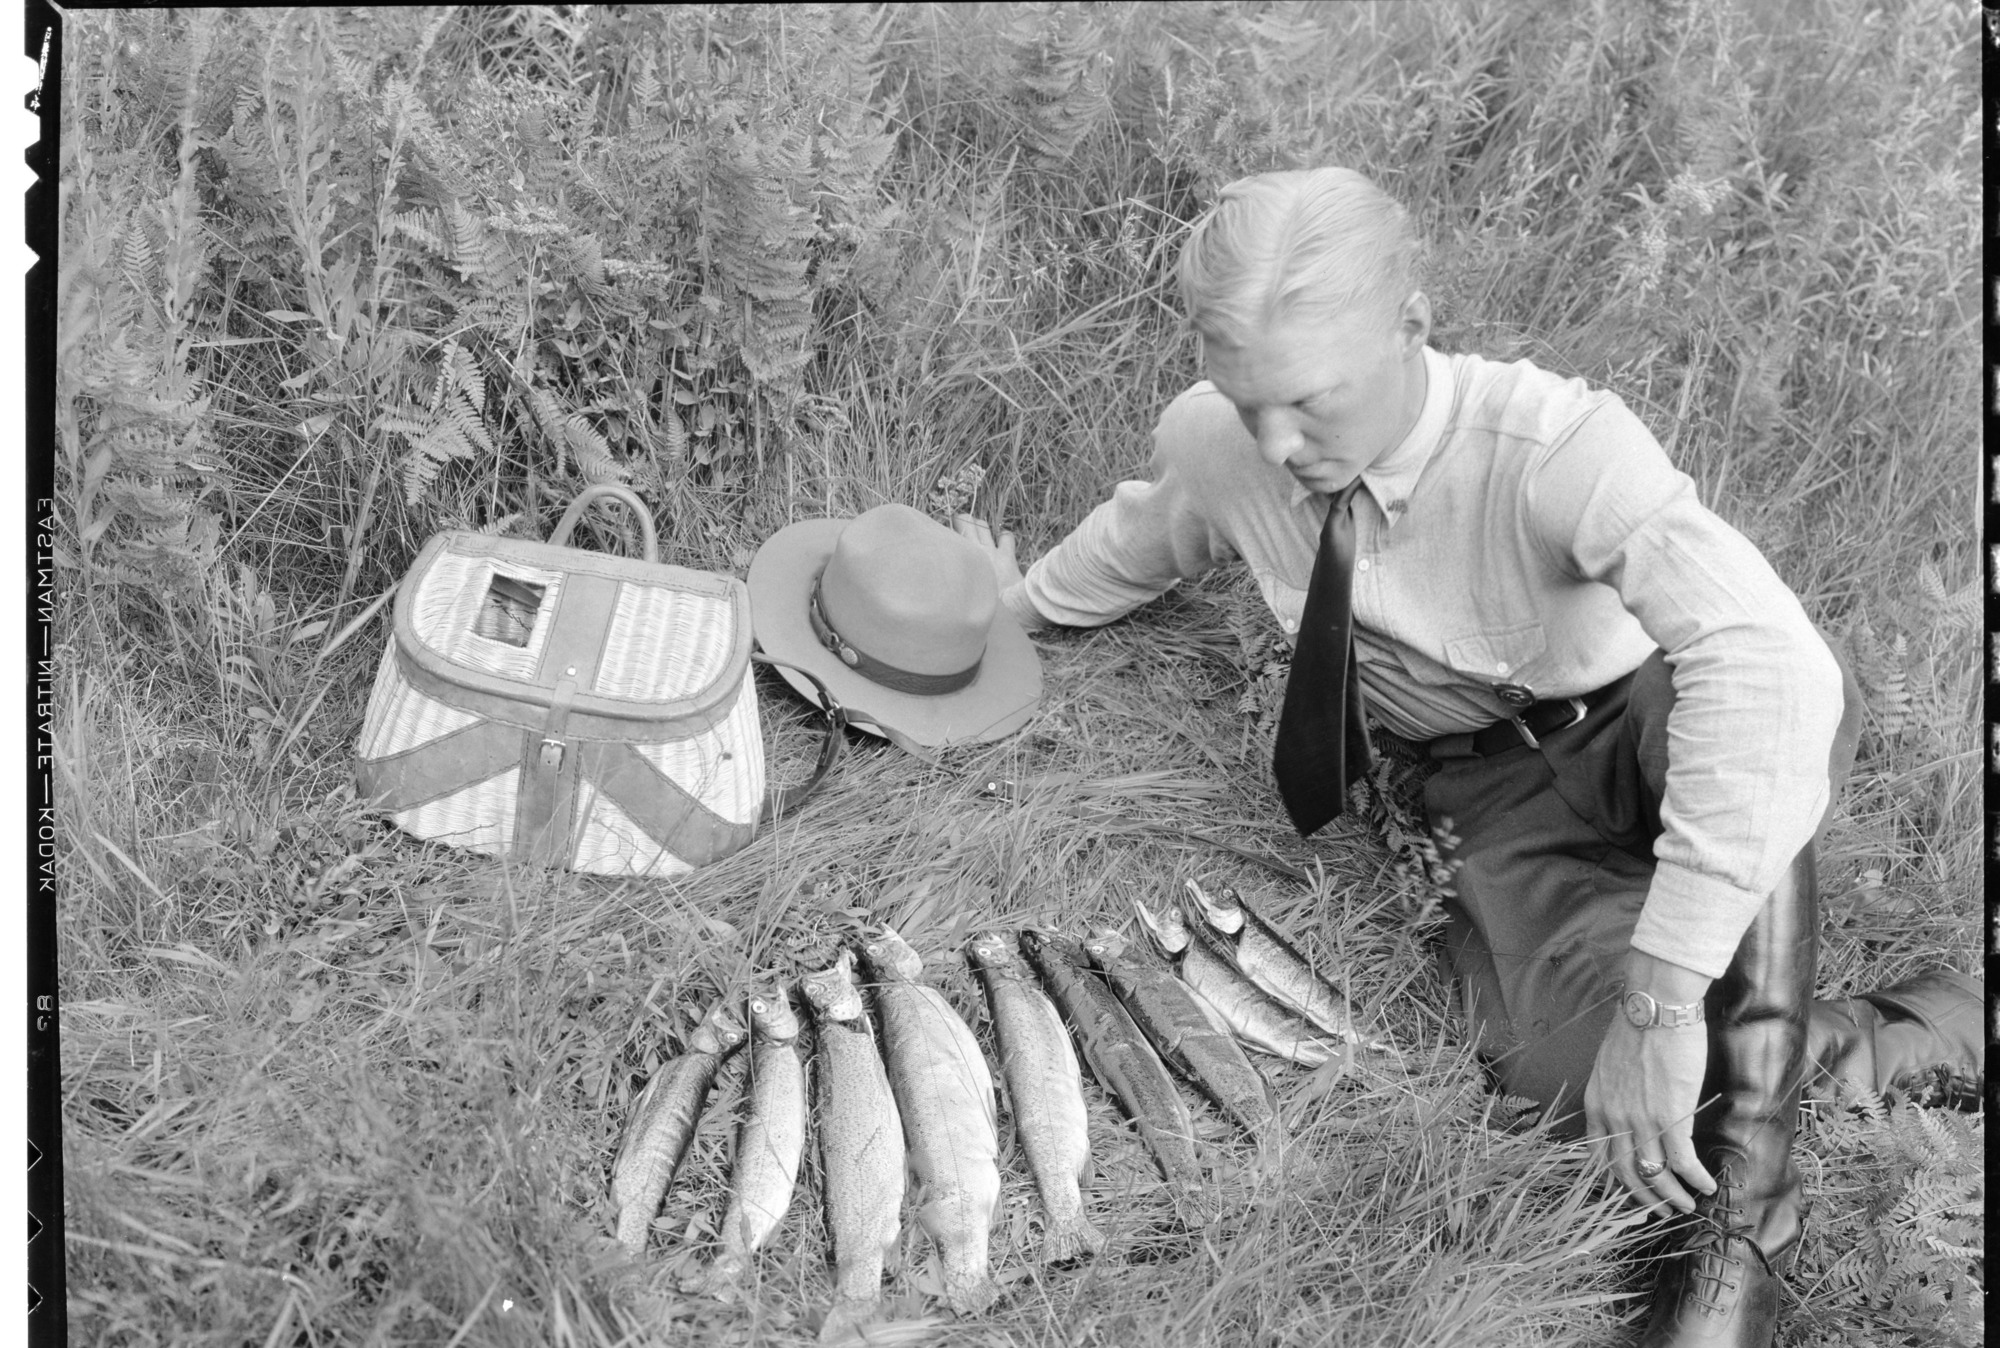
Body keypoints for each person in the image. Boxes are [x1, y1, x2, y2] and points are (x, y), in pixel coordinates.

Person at [954, 167, 1981, 1348]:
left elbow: (1774, 669)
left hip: (1641, 716)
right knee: (1553, 1082)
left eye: (1310, 403)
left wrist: (1659, 1005)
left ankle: (1738, 1223)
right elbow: (1141, 536)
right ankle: (1917, 1024)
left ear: (1412, 328)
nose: (1277, 444)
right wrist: (1014, 608)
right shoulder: (1222, 441)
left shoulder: (1552, 447)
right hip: (1487, 795)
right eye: (1249, 406)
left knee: (1758, 720)